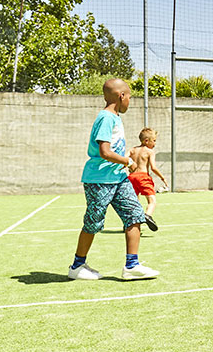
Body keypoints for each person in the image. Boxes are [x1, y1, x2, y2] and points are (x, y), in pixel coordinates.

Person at [68, 79, 159, 280]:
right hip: (99, 179)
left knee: (135, 215)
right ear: (121, 96)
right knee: (93, 222)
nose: (129, 102)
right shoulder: (106, 118)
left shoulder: (116, 118)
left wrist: (124, 165)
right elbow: (104, 152)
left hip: (118, 178)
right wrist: (128, 161)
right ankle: (77, 266)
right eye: (129, 97)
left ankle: (132, 266)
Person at [128, 127, 168, 231]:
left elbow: (124, 159)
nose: (155, 143)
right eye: (154, 141)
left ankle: (132, 224)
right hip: (143, 177)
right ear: (146, 141)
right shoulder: (150, 151)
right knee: (152, 201)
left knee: (135, 202)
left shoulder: (132, 150)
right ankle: (147, 215)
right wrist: (162, 177)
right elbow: (153, 168)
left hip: (131, 178)